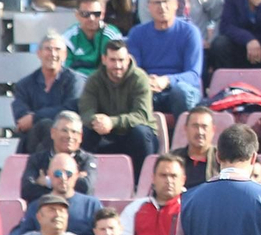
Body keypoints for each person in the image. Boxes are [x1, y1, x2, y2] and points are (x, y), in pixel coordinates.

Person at [78, 44, 157, 197]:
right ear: (104, 59)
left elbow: (141, 115)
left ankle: (143, 188)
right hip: (106, 135)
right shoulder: (94, 80)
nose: (118, 65)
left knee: (140, 132)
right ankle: (87, 184)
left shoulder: (140, 78)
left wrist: (112, 122)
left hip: (135, 136)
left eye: (121, 60)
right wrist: (96, 120)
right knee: (86, 132)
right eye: (113, 60)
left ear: (128, 59)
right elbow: (85, 111)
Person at [4, 151, 102, 235]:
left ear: (77, 175)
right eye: (57, 173)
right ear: (49, 175)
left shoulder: (92, 205)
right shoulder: (37, 206)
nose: (63, 178)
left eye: (68, 174)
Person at [12, 32, 83, 154]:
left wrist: (35, 117)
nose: (53, 54)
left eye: (57, 49)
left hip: (67, 139)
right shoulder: (24, 84)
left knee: (48, 126)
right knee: (43, 127)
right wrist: (38, 120)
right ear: (39, 53)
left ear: (65, 55)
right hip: (33, 141)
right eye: (48, 49)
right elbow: (21, 117)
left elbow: (70, 110)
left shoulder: (74, 81)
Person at [118, 151, 184, 235]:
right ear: (153, 178)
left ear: (183, 180)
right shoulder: (135, 208)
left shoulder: (191, 209)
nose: (168, 181)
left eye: (173, 176)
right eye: (163, 175)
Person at [64, 0, 119, 77]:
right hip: (76, 80)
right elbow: (64, 69)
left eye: (96, 14)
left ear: (103, 14)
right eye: (85, 14)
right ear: (77, 15)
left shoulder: (112, 35)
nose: (91, 18)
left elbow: (116, 67)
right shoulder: (68, 38)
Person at [174, 106, 213, 190]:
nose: (200, 132)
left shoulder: (222, 160)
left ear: (213, 130)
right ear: (186, 128)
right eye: (195, 126)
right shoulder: (173, 159)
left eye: (204, 127)